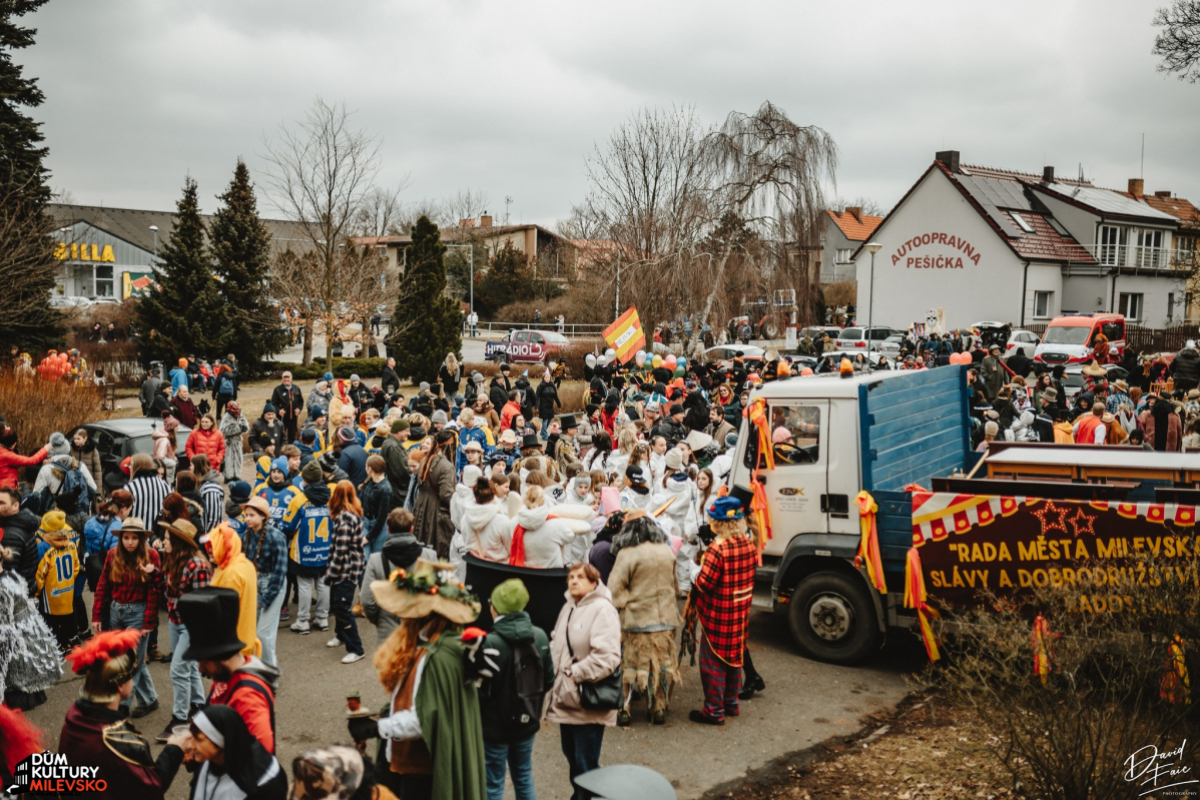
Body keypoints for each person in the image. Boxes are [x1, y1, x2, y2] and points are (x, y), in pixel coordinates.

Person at [354, 558, 485, 800]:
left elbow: (422, 719)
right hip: (408, 762)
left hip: (421, 771)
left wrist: (377, 728)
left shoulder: (438, 654)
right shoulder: (427, 642)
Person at [58, 630, 188, 799]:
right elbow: (152, 787)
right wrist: (175, 748)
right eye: (130, 676)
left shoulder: (75, 714)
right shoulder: (116, 738)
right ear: (120, 684)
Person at [545, 562, 621, 800]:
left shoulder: (602, 609)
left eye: (580, 577)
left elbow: (608, 657)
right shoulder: (569, 607)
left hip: (588, 698)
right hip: (566, 697)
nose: (574, 580)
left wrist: (573, 673)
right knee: (572, 757)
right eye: (570, 577)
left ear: (594, 582)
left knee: (585, 763)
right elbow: (557, 641)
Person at [476, 579, 552, 800]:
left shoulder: (490, 643)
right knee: (523, 775)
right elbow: (548, 680)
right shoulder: (540, 636)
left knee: (492, 783)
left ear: (496, 608)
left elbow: (480, 689)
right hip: (526, 720)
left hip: (493, 727)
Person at [179, 586, 280, 754]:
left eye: (204, 660)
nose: (201, 668)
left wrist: (207, 752)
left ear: (223, 656)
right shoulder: (224, 677)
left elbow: (260, 760)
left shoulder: (247, 697)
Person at [607, 515, 683, 727]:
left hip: (637, 619)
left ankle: (625, 708)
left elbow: (615, 588)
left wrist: (618, 606)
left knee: (630, 662)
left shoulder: (627, 553)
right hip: (665, 618)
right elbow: (675, 585)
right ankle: (657, 707)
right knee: (659, 662)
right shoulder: (666, 551)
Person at [689, 496, 758, 726]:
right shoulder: (748, 543)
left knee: (713, 663)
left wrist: (694, 574)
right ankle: (731, 703)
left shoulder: (717, 549)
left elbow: (705, 584)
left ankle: (714, 711)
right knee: (734, 658)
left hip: (718, 613)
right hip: (741, 610)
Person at [91, 517, 160, 718]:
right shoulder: (113, 554)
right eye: (126, 537)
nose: (130, 542)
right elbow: (103, 585)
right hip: (115, 612)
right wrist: (96, 614)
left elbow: (154, 592)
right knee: (131, 660)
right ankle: (150, 700)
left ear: (141, 539)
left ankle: (122, 706)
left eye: (134, 538)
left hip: (138, 614)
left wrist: (148, 622)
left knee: (130, 662)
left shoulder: (152, 556)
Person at [156, 518, 212, 740]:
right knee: (187, 669)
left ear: (179, 543)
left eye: (168, 539)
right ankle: (198, 706)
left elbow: (203, 602)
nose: (163, 541)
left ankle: (180, 719)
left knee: (178, 670)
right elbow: (168, 592)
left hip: (191, 625)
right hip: (175, 621)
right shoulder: (172, 560)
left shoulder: (196, 565)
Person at [361, 508, 435, 648]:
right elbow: (437, 596)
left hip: (388, 635)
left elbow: (367, 601)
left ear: (388, 529)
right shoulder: (429, 556)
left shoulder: (376, 561)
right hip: (421, 631)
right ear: (411, 529)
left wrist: (380, 619)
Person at [186, 705, 288, 800]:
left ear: (220, 741)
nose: (191, 745)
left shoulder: (266, 783)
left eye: (198, 739)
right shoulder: (210, 760)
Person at [282, 461, 332, 634]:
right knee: (323, 583)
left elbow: (288, 525)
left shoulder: (300, 499)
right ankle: (322, 618)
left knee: (304, 584)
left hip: (303, 551)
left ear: (305, 480)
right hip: (325, 549)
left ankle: (303, 621)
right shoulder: (331, 497)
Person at [240, 495, 288, 670]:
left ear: (263, 516)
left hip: (272, 585)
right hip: (254, 584)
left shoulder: (277, 536)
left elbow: (280, 571)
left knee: (263, 634)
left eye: (252, 515)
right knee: (254, 633)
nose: (247, 519)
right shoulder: (246, 535)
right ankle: (262, 669)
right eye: (246, 515)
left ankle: (270, 675)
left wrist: (266, 599)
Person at [326, 480, 366, 664]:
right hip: (352, 567)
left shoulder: (343, 520)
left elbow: (340, 551)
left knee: (341, 606)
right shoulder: (353, 514)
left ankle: (356, 648)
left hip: (345, 570)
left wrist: (330, 575)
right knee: (338, 603)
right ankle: (341, 635)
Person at [33, 510, 81, 650]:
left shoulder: (44, 547)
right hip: (67, 591)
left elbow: (40, 574)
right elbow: (76, 567)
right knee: (67, 619)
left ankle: (58, 646)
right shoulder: (71, 544)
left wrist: (36, 592)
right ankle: (67, 642)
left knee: (51, 622)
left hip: (51, 594)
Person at [413, 430, 457, 559]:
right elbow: (446, 495)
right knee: (437, 555)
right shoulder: (446, 466)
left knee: (421, 551)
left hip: (420, 508)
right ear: (450, 445)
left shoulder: (424, 461)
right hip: (436, 514)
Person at [0, 487, 41, 594]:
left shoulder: (10, 535)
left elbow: (7, 575)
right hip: (27, 588)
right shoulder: (23, 524)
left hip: (15, 595)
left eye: (1, 503)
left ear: (15, 506)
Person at [380, 419, 412, 510]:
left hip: (395, 491)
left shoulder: (389, 443)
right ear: (398, 431)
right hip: (399, 493)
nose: (409, 434)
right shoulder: (394, 447)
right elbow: (402, 471)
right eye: (407, 431)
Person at [271, 371, 305, 446]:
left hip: (293, 418)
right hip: (282, 418)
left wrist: (299, 409)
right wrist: (278, 411)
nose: (286, 379)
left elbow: (301, 401)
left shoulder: (296, 389)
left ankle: (291, 451)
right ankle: (280, 451)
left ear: (291, 378)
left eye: (288, 377)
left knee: (292, 436)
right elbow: (273, 403)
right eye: (284, 377)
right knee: (281, 435)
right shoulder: (278, 390)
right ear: (282, 379)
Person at [535, 372, 561, 440]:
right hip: (543, 405)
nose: (547, 378)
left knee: (549, 419)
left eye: (548, 377)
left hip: (550, 405)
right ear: (543, 378)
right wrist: (536, 406)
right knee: (545, 420)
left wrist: (559, 404)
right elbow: (537, 396)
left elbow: (555, 396)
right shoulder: (540, 386)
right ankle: (544, 435)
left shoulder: (552, 385)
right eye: (546, 377)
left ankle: (542, 432)